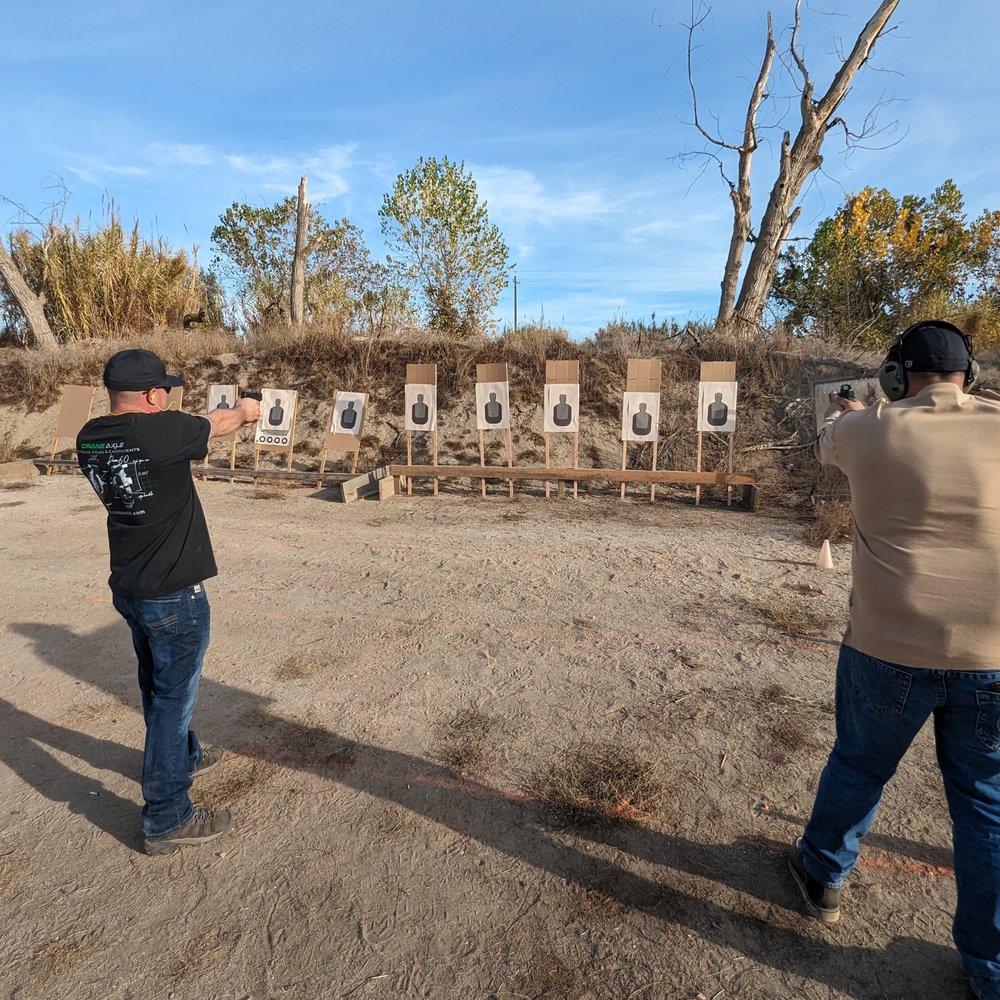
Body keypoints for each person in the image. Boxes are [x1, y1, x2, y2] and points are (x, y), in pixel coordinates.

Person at [789, 321, 1000, 1000]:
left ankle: (823, 877)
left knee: (859, 764)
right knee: (986, 804)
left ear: (894, 377)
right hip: (995, 656)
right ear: (969, 376)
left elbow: (828, 442)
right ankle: (990, 969)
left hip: (886, 647)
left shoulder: (867, 429)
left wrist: (857, 412)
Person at [77, 349, 260, 856]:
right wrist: (247, 411)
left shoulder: (88, 436)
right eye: (165, 391)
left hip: (130, 587)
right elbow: (218, 422)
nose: (168, 398)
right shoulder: (162, 431)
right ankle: (166, 815)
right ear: (154, 394)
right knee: (171, 701)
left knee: (155, 683)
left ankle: (185, 756)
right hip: (173, 592)